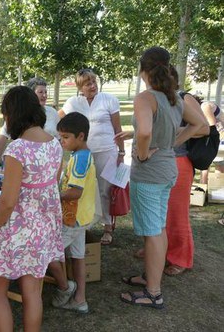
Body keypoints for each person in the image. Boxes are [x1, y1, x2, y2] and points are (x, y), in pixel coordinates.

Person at [116, 47, 204, 309]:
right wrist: (172, 141)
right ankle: (150, 277)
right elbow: (200, 124)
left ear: (143, 69)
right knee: (158, 228)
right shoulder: (175, 97)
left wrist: (142, 154)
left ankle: (153, 292)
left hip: (150, 173)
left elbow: (144, 132)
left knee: (153, 231)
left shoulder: (146, 97)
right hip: (168, 171)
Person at [0, 86, 63, 331]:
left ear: (12, 114)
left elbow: (7, 201)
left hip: (19, 230)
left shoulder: (17, 148)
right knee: (32, 292)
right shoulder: (55, 144)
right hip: (43, 228)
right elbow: (50, 186)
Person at [132, 67, 209, 275]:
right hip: (165, 162)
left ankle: (180, 258)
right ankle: (160, 254)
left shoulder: (182, 97)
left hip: (178, 161)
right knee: (161, 218)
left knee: (176, 215)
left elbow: (203, 127)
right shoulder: (162, 99)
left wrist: (172, 138)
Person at [59, 69, 124, 245]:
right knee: (83, 189)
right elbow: (58, 122)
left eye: (94, 82)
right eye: (88, 83)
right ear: (80, 87)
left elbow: (118, 129)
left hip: (106, 151)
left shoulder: (109, 100)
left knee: (105, 190)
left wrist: (121, 152)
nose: (93, 86)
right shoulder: (73, 102)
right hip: (83, 153)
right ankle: (84, 222)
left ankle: (108, 227)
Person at [47, 112, 97, 314]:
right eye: (61, 137)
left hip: (72, 219)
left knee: (48, 252)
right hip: (80, 218)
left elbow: (75, 192)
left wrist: (53, 196)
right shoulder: (82, 155)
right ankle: (80, 299)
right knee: (78, 257)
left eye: (66, 137)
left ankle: (66, 288)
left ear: (81, 136)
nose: (62, 141)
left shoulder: (79, 160)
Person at [0, 77, 60, 166]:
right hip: (27, 162)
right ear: (31, 95)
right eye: (40, 92)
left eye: (45, 92)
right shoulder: (20, 115)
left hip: (49, 162)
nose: (44, 95)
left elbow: (59, 138)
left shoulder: (53, 113)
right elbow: (4, 134)